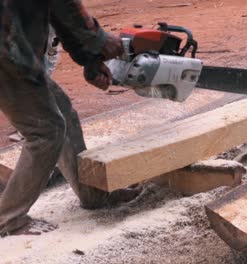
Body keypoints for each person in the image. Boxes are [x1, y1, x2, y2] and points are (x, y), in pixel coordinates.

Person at [0, 0, 141, 237]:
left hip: (13, 47)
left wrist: (89, 57)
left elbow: (55, 10)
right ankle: (9, 219)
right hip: (7, 50)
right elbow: (65, 5)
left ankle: (92, 194)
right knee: (46, 131)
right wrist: (100, 41)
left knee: (60, 109)